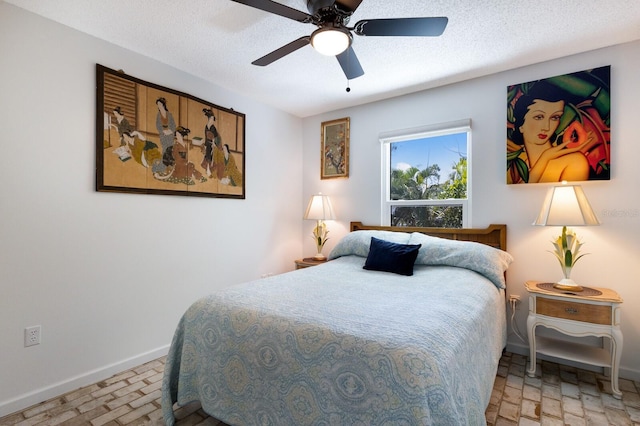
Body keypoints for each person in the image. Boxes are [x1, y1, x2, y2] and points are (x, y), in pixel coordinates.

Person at [507, 81, 595, 183]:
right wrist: (544, 158)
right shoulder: (519, 167)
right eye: (539, 117)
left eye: (555, 117)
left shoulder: (574, 162)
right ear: (521, 124)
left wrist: (545, 158)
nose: (547, 127)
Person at [200, 108, 223, 178]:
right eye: (211, 119)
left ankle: (210, 170)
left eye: (213, 119)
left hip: (213, 144)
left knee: (212, 158)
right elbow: (206, 136)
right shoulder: (207, 127)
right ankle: (208, 169)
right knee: (208, 157)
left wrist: (214, 143)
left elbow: (216, 137)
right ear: (209, 119)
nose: (212, 121)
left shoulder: (213, 127)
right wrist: (205, 144)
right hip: (208, 143)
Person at [155, 97, 176, 169]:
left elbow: (173, 125)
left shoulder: (169, 114)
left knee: (170, 149)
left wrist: (170, 131)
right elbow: (158, 125)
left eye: (160, 104)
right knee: (164, 148)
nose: (159, 106)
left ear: (163, 105)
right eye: (158, 105)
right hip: (163, 134)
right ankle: (163, 164)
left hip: (170, 134)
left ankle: (170, 164)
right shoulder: (158, 115)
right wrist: (163, 131)